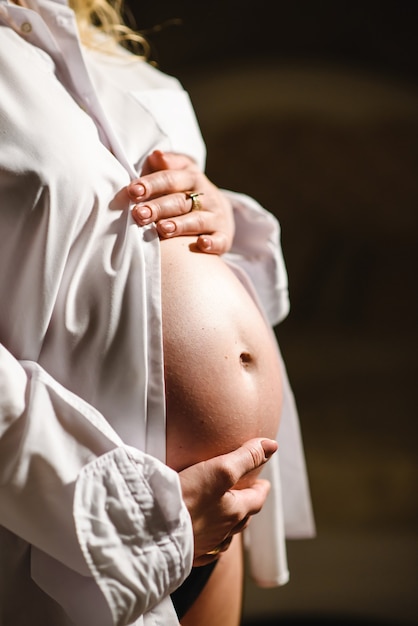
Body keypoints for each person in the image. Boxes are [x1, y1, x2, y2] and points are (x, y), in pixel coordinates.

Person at [0, 1, 315, 625]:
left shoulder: (113, 60)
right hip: (79, 532)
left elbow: (132, 253)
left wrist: (218, 211)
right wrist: (133, 513)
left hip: (219, 512)